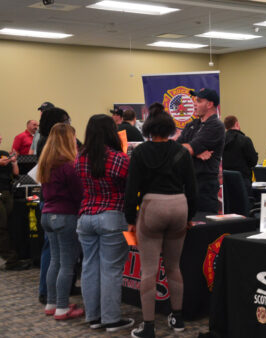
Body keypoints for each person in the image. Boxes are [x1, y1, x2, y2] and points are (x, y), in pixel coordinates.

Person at [125, 103, 197, 337]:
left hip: (151, 207)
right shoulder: (182, 152)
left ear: (147, 130)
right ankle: (177, 318)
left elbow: (131, 189)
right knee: (174, 267)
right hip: (179, 206)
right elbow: (192, 188)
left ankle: (148, 326)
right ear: (170, 129)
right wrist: (190, 216)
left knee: (149, 270)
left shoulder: (140, 153)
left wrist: (130, 218)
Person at [75, 114, 134, 332]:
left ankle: (94, 317)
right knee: (111, 269)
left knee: (89, 267)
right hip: (112, 216)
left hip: (85, 217)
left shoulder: (79, 158)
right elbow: (131, 188)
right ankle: (111, 319)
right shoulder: (119, 158)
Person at [37, 123, 84, 320]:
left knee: (54, 261)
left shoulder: (46, 163)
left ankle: (52, 303)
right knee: (67, 263)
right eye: (73, 137)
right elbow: (79, 194)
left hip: (47, 215)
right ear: (67, 140)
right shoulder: (68, 165)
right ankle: (63, 308)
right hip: (65, 216)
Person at [176, 88, 225, 213]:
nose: (194, 104)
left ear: (209, 104)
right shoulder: (193, 124)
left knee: (203, 228)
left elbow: (188, 150)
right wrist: (195, 152)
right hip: (186, 184)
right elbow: (175, 148)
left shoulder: (216, 125)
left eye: (198, 101)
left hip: (204, 187)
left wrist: (191, 150)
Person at [0, 135, 29, 271]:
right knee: (2, 227)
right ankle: (11, 259)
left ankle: (12, 257)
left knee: (8, 226)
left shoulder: (4, 154)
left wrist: (14, 162)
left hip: (7, 192)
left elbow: (15, 173)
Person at [222, 115, 258, 193]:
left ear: (225, 127)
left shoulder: (220, 141)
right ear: (237, 124)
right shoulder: (245, 140)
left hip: (225, 183)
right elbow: (253, 161)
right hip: (243, 182)